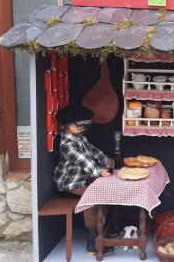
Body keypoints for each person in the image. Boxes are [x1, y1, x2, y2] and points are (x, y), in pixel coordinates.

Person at [53, 105, 115, 255]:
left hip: (83, 179)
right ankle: (92, 243)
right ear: (66, 125)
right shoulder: (67, 144)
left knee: (102, 192)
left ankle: (102, 233)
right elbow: (84, 161)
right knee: (91, 197)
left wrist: (108, 161)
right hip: (69, 183)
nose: (83, 128)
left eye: (86, 125)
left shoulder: (80, 138)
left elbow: (94, 152)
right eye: (80, 125)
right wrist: (98, 170)